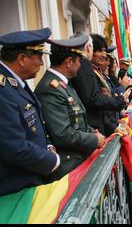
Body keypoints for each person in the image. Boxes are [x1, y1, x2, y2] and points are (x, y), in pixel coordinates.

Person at [35, 35, 106, 181]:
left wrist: (91, 131)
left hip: (78, 162)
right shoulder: (50, 88)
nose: (80, 66)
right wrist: (93, 139)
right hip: (68, 169)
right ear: (68, 62)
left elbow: (76, 120)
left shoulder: (63, 85)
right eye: (79, 61)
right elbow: (62, 134)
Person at [0, 28, 61, 196]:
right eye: (39, 57)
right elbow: (15, 148)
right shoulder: (3, 89)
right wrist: (53, 160)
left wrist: (47, 146)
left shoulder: (14, 82)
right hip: (13, 188)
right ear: (21, 59)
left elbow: (34, 123)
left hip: (29, 176)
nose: (42, 63)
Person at [70, 33, 130, 136]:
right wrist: (119, 99)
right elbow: (94, 100)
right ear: (89, 48)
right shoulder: (85, 66)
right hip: (95, 132)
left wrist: (115, 124)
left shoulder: (94, 70)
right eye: (100, 50)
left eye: (105, 51)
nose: (104, 55)